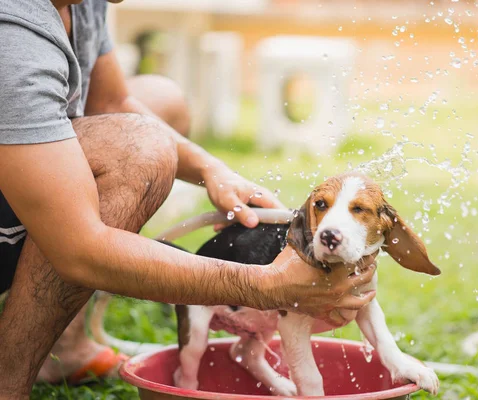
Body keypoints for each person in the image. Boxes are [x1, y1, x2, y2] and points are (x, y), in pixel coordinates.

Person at [0, 0, 377, 398]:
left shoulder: (81, 3)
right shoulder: (14, 32)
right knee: (141, 147)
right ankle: (7, 383)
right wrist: (267, 285)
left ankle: (64, 342)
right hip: (49, 231)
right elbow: (78, 249)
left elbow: (110, 102)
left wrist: (214, 171)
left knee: (162, 102)